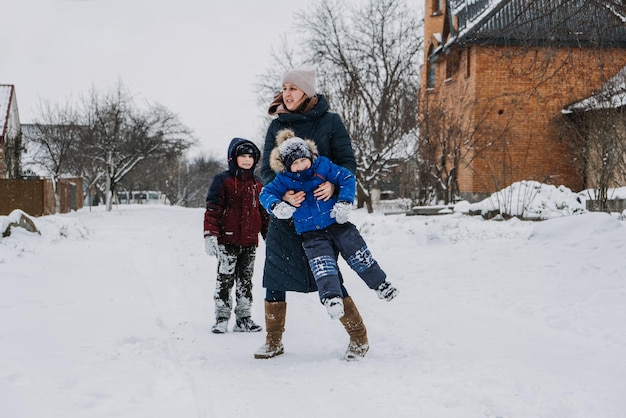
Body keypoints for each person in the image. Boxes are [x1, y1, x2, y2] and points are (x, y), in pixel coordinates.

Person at [254, 67, 376, 361]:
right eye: (284, 88)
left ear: (307, 92)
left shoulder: (331, 121)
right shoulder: (277, 126)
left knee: (329, 276)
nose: (287, 93)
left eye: (293, 88)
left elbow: (347, 162)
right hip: (287, 217)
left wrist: (335, 186)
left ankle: (359, 338)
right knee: (274, 277)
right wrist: (281, 193)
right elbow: (267, 169)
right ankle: (273, 341)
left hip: (322, 218)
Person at [260, 129, 399, 319]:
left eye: (303, 160)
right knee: (322, 265)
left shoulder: (323, 166)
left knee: (358, 253)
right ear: (286, 165)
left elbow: (347, 177)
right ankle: (332, 298)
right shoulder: (283, 180)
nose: (300, 166)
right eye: (294, 163)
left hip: (337, 223)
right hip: (311, 234)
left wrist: (343, 202)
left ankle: (381, 285)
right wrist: (278, 205)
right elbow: (265, 194)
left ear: (310, 156)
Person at [203, 137, 269, 334]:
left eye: (251, 156)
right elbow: (213, 209)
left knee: (245, 281)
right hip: (227, 240)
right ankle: (221, 317)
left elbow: (264, 214)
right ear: (233, 158)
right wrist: (210, 234)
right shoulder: (223, 180)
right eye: (243, 156)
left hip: (250, 242)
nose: (247, 160)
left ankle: (243, 318)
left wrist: (270, 238)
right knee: (225, 279)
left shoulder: (258, 184)